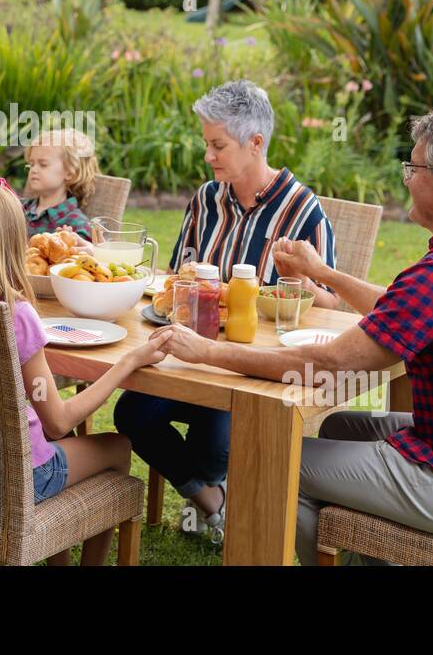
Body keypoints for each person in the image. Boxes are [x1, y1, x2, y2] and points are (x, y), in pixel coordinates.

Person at [159, 106, 433, 564]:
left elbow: (327, 365)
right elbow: (403, 304)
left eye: (414, 167)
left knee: (271, 462)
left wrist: (210, 352)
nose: (407, 178)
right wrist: (321, 271)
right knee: (335, 425)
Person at [114, 78, 338, 540]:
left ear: (255, 143)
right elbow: (174, 277)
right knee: (131, 413)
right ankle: (214, 500)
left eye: (218, 145)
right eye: (206, 144)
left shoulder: (303, 211)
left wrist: (298, 283)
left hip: (250, 368)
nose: (208, 156)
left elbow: (331, 307)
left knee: (213, 443)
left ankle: (211, 491)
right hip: (187, 354)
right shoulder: (205, 200)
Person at [0, 179, 170, 565]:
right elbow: (59, 422)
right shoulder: (16, 316)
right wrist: (127, 363)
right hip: (23, 475)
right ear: (12, 242)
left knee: (48, 435)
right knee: (118, 446)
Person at [20, 128, 99, 240]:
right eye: (32, 164)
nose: (33, 170)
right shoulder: (18, 208)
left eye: (43, 164)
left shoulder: (76, 224)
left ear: (70, 173)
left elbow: (81, 256)